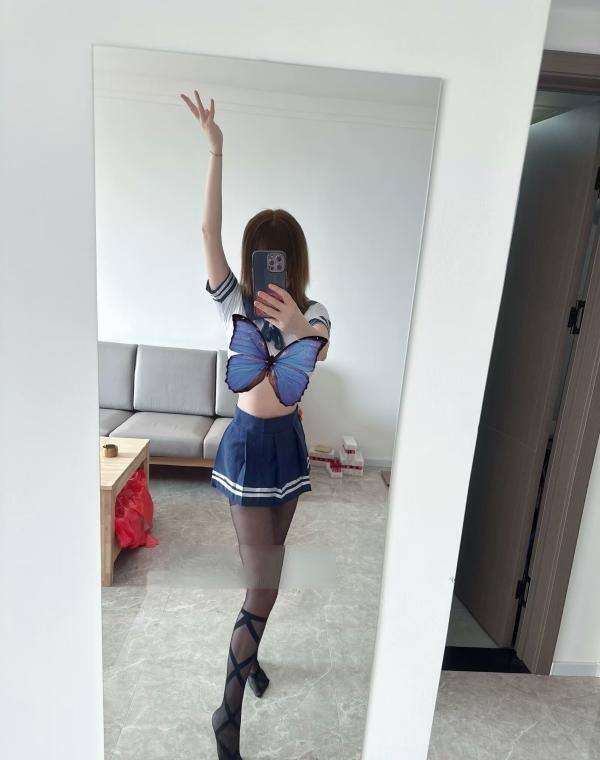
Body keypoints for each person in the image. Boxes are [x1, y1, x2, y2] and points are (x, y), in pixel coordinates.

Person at [181, 90, 331, 760]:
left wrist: (295, 322)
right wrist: (216, 151)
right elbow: (207, 234)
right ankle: (227, 713)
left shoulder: (316, 312)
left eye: (280, 256)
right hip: (246, 446)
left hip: (287, 445)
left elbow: (316, 352)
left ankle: (253, 656)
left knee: (271, 573)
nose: (271, 266)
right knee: (261, 581)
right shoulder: (235, 304)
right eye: (262, 255)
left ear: (293, 261)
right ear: (253, 259)